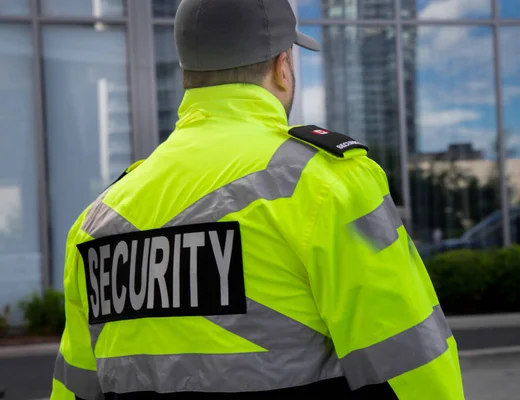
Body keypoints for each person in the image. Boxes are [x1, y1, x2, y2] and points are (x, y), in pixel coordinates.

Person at [50, 0, 465, 398]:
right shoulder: (325, 183)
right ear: (283, 68)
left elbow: (76, 389)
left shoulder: (96, 222)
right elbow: (413, 367)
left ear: (187, 76)